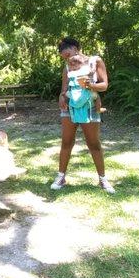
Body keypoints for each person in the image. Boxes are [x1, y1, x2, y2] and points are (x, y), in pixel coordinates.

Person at [51, 37, 115, 194]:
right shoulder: (67, 68)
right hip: (70, 107)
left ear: (75, 48)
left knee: (93, 143)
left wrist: (89, 85)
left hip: (90, 107)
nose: (67, 59)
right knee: (66, 142)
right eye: (64, 58)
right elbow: (64, 89)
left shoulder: (95, 61)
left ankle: (102, 179)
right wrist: (61, 97)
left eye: (67, 54)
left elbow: (104, 85)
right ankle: (61, 177)